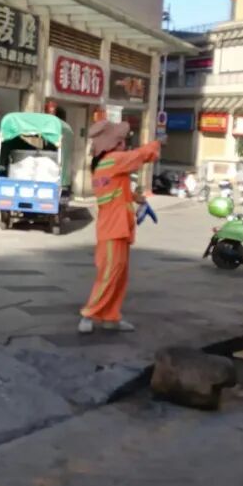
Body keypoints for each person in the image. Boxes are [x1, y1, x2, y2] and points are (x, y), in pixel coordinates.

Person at [78, 121, 162, 334]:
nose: (125, 144)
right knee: (110, 274)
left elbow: (114, 189)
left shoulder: (105, 164)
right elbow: (140, 156)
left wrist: (134, 197)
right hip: (114, 229)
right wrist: (157, 143)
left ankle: (111, 316)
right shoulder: (114, 159)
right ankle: (89, 314)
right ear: (112, 143)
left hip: (117, 228)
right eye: (122, 140)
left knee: (118, 275)